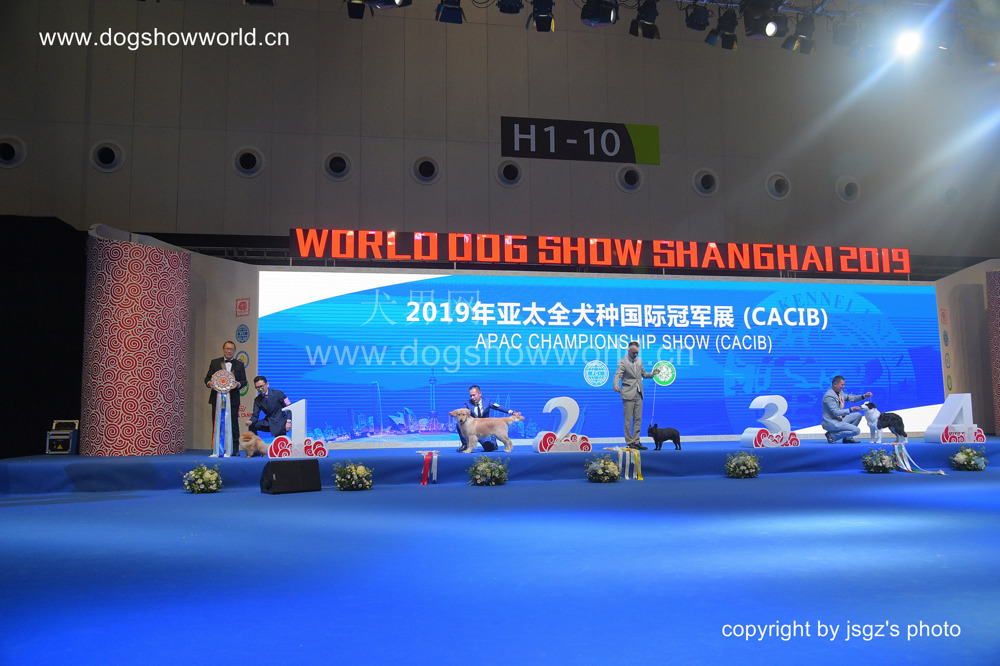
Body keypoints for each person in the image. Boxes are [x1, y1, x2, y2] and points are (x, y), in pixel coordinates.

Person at [204, 341, 247, 456]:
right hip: (217, 399)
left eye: (231, 349)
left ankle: (234, 449)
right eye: (227, 349)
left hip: (233, 400)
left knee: (233, 425)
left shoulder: (239, 364)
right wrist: (210, 383)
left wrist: (238, 384)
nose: (229, 351)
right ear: (223, 350)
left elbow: (244, 381)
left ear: (234, 351)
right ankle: (216, 449)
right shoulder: (215, 362)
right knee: (217, 423)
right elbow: (207, 378)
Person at [613, 341, 656, 450]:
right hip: (628, 393)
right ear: (628, 351)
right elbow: (618, 375)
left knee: (638, 418)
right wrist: (615, 384)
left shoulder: (639, 361)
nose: (635, 354)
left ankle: (636, 441)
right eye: (633, 353)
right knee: (628, 420)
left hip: (639, 393)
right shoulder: (622, 362)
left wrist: (652, 374)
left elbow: (644, 374)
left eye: (637, 352)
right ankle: (630, 441)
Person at [456, 385, 519, 452]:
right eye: (471, 396)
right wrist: (453, 413)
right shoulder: (467, 404)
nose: (472, 397)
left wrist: (511, 412)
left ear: (480, 393)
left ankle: (493, 440)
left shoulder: (487, 402)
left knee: (489, 448)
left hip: (484, 430)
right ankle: (465, 445)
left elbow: (498, 407)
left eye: (474, 395)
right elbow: (461, 411)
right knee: (459, 424)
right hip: (473, 430)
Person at [821, 375, 872, 443]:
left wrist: (864, 396)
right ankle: (832, 436)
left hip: (839, 419)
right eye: (842, 385)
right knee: (856, 430)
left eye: (844, 385)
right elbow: (835, 412)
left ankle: (847, 438)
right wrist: (851, 409)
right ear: (835, 384)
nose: (843, 386)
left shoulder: (840, 392)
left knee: (858, 415)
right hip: (832, 422)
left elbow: (851, 398)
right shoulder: (829, 396)